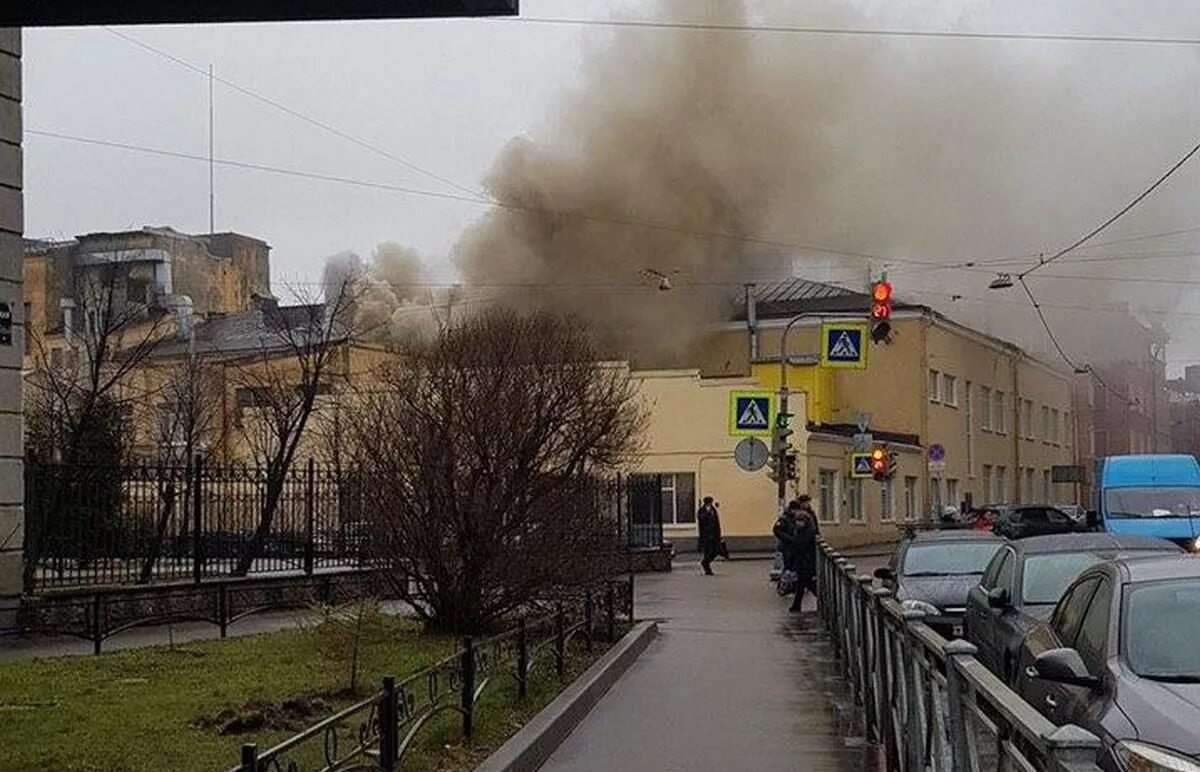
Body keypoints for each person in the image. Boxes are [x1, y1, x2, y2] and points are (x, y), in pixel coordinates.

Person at [790, 495, 819, 612]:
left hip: (806, 561)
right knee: (803, 584)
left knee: (806, 583)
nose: (798, 523)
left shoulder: (808, 532)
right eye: (797, 521)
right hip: (802, 561)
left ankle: (797, 605)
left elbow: (802, 545)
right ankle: (796, 605)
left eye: (800, 521)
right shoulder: (800, 530)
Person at [697, 496, 722, 575]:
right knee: (708, 551)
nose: (710, 505)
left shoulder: (713, 510)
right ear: (706, 503)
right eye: (709, 503)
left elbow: (717, 522)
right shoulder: (701, 511)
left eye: (711, 503)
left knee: (715, 551)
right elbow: (701, 519)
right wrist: (707, 513)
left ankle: (705, 562)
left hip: (714, 535)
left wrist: (719, 534)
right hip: (706, 536)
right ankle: (707, 569)